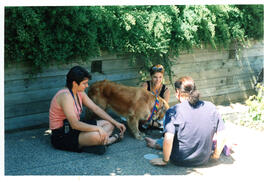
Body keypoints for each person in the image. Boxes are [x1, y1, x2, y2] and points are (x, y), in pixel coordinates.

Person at [149, 76, 226, 166]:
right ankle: (156, 143)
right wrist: (215, 155)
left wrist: (165, 160)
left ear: (178, 92)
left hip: (179, 160)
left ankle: (156, 143)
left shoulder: (173, 111)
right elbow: (223, 136)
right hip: (203, 159)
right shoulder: (211, 107)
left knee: (165, 138)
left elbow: (169, 138)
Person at [49, 66, 126, 154]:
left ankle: (97, 143)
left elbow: (96, 108)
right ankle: (109, 140)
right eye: (84, 83)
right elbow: (75, 124)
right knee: (97, 135)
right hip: (62, 135)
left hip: (74, 129)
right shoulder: (65, 96)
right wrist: (97, 129)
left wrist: (116, 123)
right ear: (75, 83)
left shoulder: (79, 92)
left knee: (109, 124)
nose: (87, 86)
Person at [141, 64, 170, 130]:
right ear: (151, 77)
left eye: (160, 77)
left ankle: (153, 124)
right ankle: (158, 125)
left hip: (159, 113)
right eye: (155, 77)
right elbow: (142, 103)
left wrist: (157, 114)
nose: (158, 80)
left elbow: (165, 107)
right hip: (146, 111)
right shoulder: (145, 85)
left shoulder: (166, 90)